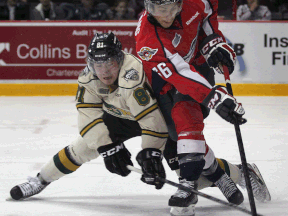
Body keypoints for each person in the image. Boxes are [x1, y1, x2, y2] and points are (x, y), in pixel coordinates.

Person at [9, 34, 271, 212]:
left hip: (158, 118)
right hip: (121, 118)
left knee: (193, 178)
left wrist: (150, 153)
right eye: (98, 65)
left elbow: (151, 120)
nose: (105, 72)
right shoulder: (88, 77)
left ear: (120, 59)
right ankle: (41, 180)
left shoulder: (131, 73)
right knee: (82, 147)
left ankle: (242, 172)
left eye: (109, 63)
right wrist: (107, 146)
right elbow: (87, 114)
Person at [134, 0, 270, 215]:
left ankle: (188, 187)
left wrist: (214, 43)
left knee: (186, 119)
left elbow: (207, 16)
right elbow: (178, 73)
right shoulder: (147, 39)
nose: (167, 16)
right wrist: (214, 97)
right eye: (160, 10)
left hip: (197, 67)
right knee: (177, 135)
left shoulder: (195, 2)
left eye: (171, 9)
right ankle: (224, 174)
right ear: (148, 8)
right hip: (165, 83)